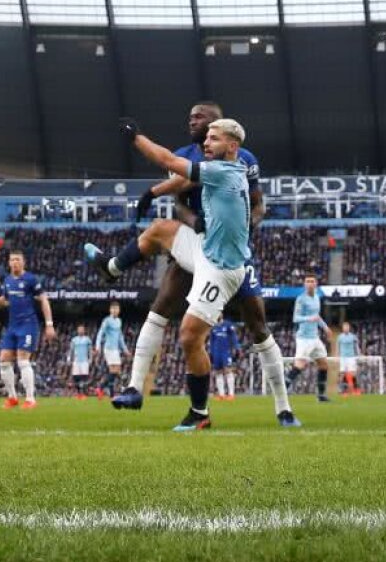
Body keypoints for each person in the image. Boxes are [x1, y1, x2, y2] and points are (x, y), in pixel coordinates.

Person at [90, 103, 298, 428]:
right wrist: (153, 192)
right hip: (202, 245)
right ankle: (113, 268)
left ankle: (251, 410)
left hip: (223, 264)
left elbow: (169, 162)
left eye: (213, 136)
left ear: (231, 144)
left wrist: (135, 137)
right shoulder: (218, 165)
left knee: (198, 334)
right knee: (159, 231)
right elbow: (183, 182)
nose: (206, 141)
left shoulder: (230, 170)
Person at [0, 251, 56, 410]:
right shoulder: (7, 280)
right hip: (12, 326)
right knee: (4, 360)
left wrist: (49, 324)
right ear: (9, 263)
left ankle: (30, 399)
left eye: (18, 259)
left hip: (28, 325)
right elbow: (6, 301)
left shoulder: (31, 280)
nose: (14, 262)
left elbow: (44, 300)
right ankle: (12, 397)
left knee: (23, 360)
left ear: (23, 262)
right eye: (12, 260)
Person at [285, 276, 330, 403]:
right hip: (304, 338)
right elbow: (295, 318)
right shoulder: (301, 299)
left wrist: (325, 328)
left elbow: (317, 316)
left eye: (312, 281)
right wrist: (308, 318)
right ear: (304, 284)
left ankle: (321, 396)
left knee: (323, 364)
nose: (310, 284)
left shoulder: (317, 297)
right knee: (300, 365)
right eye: (308, 281)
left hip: (315, 337)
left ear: (316, 284)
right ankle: (282, 390)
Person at [92, 302, 129, 397]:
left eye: (117, 309)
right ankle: (100, 388)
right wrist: (97, 347)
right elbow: (100, 333)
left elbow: (120, 337)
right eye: (113, 309)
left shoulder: (119, 321)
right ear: (110, 310)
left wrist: (125, 349)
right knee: (116, 371)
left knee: (113, 371)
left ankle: (111, 395)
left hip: (116, 349)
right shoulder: (107, 321)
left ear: (119, 310)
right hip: (109, 348)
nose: (115, 310)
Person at [209, 318, 239, 401]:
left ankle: (231, 394)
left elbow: (233, 336)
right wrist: (211, 352)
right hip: (216, 353)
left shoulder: (228, 324)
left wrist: (236, 347)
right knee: (218, 372)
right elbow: (211, 341)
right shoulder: (213, 327)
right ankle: (221, 395)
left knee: (228, 370)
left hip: (226, 351)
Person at [68, 324, 93, 400]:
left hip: (84, 361)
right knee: (76, 377)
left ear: (84, 331)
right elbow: (71, 350)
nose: (81, 331)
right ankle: (79, 394)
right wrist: (69, 358)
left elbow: (90, 350)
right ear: (77, 331)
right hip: (76, 360)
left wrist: (91, 358)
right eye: (79, 329)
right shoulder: (74, 340)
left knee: (84, 377)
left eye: (82, 329)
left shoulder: (87, 339)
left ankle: (84, 393)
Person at [336, 322, 361, 396]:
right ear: (343, 328)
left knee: (352, 373)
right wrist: (337, 354)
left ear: (349, 328)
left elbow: (356, 346)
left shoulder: (353, 336)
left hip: (351, 357)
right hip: (343, 357)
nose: (346, 328)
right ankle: (343, 390)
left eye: (347, 327)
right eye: (344, 327)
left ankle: (356, 389)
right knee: (342, 373)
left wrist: (359, 354)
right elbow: (338, 346)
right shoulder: (340, 337)